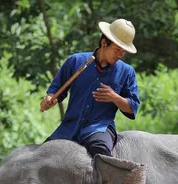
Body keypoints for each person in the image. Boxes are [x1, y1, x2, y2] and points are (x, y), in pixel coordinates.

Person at [40, 18, 140, 157]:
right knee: (42, 156)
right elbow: (54, 92)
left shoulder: (127, 72)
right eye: (117, 50)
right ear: (104, 43)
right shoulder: (75, 61)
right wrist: (48, 99)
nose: (119, 55)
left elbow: (133, 107)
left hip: (99, 129)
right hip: (69, 127)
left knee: (103, 157)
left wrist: (114, 97)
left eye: (123, 52)